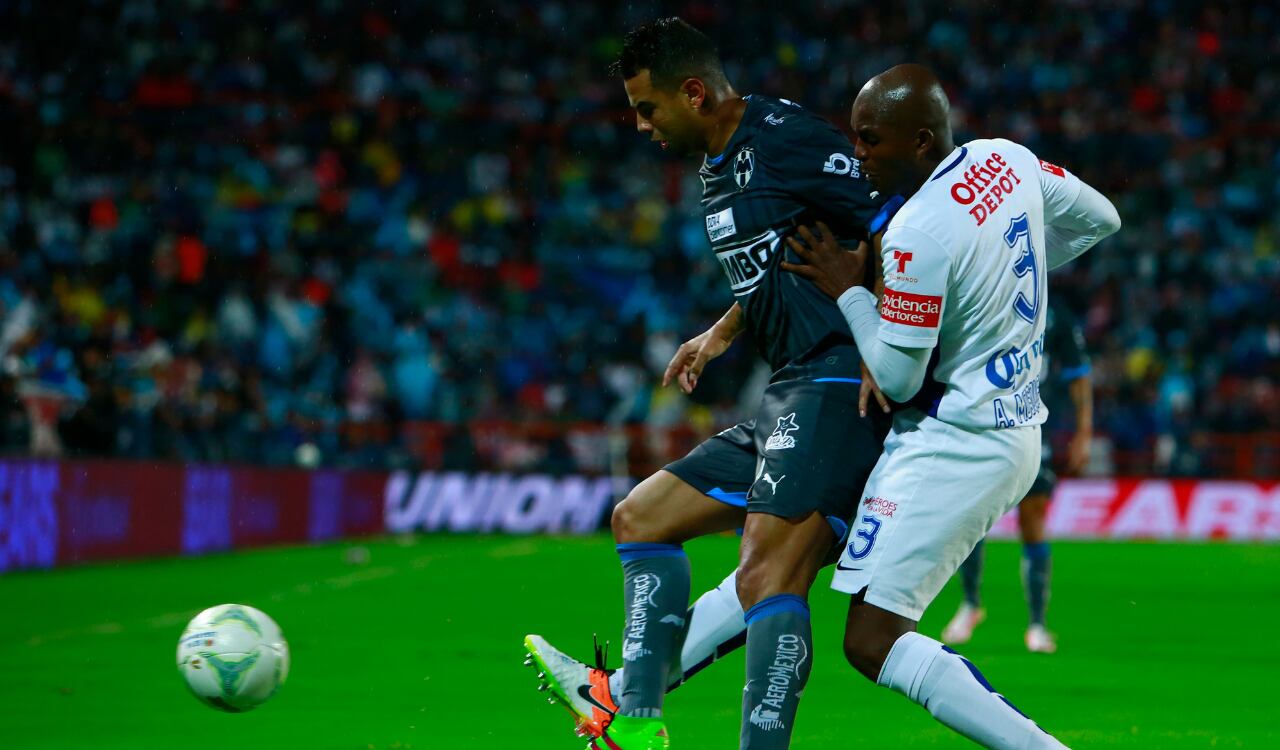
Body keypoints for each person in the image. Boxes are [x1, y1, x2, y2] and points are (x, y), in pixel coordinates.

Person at [522, 17, 896, 750]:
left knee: (768, 575)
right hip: (789, 385)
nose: (638, 125)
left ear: (693, 92)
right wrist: (719, 334)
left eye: (647, 107)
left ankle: (659, 715)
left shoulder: (786, 138)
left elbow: (894, 216)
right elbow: (779, 255)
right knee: (641, 518)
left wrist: (886, 333)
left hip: (840, 379)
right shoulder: (715, 164)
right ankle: (635, 719)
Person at [780, 64, 1119, 749]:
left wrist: (851, 289)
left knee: (871, 638)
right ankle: (637, 686)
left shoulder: (918, 231)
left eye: (872, 139)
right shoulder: (1008, 159)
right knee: (795, 554)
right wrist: (1000, 266)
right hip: (1014, 425)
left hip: (956, 440)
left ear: (922, 141)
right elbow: (1102, 218)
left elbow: (899, 380)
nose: (859, 153)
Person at [941, 298, 1094, 653]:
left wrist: (1084, 432)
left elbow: (1078, 373)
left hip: (1035, 423)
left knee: (1033, 517)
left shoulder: (1055, 310)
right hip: (984, 421)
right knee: (973, 516)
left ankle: (1037, 625)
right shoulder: (989, 292)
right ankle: (970, 604)